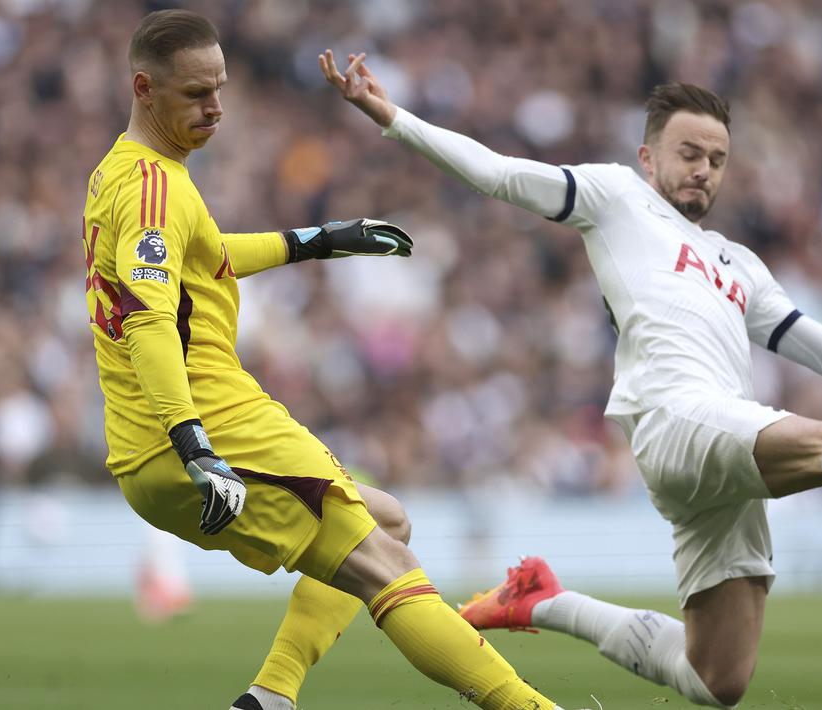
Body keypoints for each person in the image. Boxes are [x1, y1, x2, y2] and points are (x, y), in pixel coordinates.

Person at [320, 50, 822, 708]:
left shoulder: (738, 263)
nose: (701, 169)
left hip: (719, 452)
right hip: (675, 417)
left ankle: (543, 602)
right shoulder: (617, 198)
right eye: (687, 153)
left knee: (717, 679)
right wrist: (393, 118)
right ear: (649, 158)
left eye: (715, 159)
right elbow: (499, 175)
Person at [83, 11, 566, 710]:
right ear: (143, 89)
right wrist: (196, 445)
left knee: (388, 519)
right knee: (385, 565)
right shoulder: (155, 188)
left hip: (150, 448)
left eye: (219, 88)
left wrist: (320, 240)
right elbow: (148, 320)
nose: (215, 106)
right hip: (212, 428)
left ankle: (271, 697)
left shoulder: (121, 175)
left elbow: (210, 258)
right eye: (195, 93)